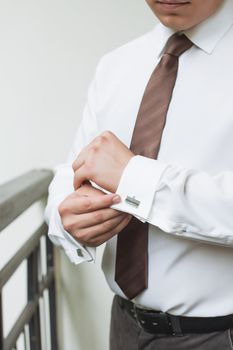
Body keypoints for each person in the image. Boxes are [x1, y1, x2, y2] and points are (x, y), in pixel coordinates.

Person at [45, 0, 233, 349]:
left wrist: (136, 179)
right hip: (124, 327)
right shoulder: (116, 65)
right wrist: (64, 218)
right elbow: (73, 169)